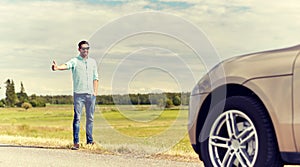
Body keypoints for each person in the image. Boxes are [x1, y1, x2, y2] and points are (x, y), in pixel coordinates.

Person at [52, 40, 99, 150]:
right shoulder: (75, 61)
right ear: (79, 49)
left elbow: (95, 78)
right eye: (83, 48)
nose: (86, 50)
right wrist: (58, 67)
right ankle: (76, 142)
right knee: (77, 118)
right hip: (79, 94)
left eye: (87, 48)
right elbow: (67, 65)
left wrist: (95, 93)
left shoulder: (93, 62)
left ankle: (90, 141)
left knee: (90, 118)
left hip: (90, 94)